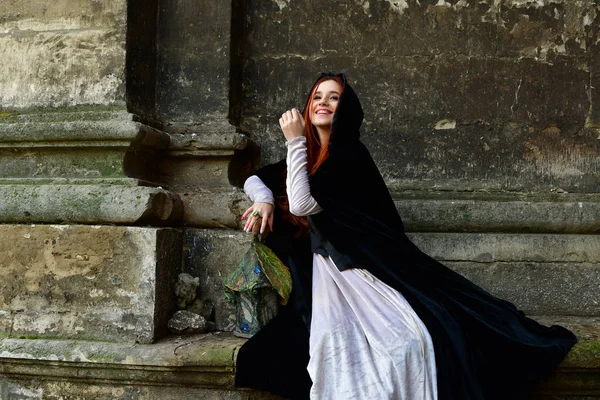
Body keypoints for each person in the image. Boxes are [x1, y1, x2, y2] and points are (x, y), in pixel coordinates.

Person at [235, 72, 577, 400]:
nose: (323, 102)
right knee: (332, 343)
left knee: (408, 343)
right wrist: (264, 199)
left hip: (363, 267)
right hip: (328, 272)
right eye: (317, 97)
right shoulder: (305, 157)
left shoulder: (349, 154)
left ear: (346, 108)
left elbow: (302, 203)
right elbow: (255, 178)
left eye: (334, 97)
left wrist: (294, 140)